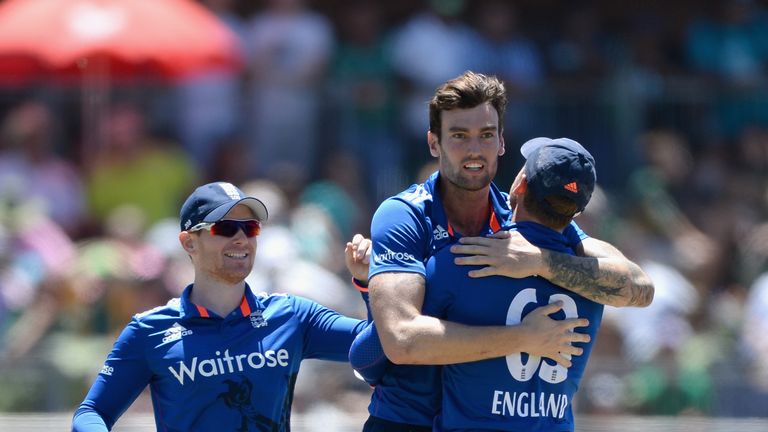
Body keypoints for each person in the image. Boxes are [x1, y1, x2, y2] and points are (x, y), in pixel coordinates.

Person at [355, 71, 654, 431]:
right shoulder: (404, 214)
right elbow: (401, 340)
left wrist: (540, 262)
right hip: (404, 421)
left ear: (501, 143)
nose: (474, 149)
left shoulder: (517, 220)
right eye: (459, 136)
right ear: (434, 144)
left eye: (485, 135)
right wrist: (524, 338)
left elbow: (639, 287)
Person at [71, 181, 372, 431]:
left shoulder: (292, 316)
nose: (242, 238)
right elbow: (91, 412)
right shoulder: (149, 330)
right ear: (189, 243)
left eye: (250, 228)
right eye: (226, 228)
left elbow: (380, 342)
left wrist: (367, 284)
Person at [423, 137, 613, 431]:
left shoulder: (461, 260)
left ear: (521, 185)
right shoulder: (595, 282)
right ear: (577, 211)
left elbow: (390, 349)